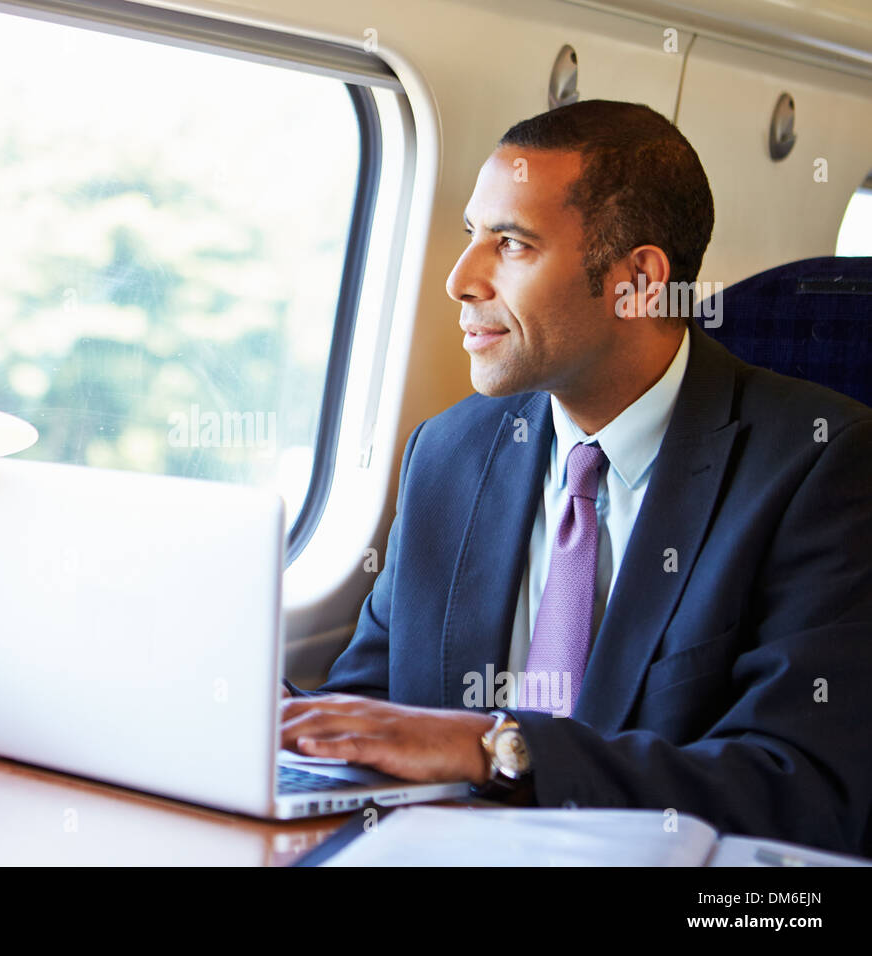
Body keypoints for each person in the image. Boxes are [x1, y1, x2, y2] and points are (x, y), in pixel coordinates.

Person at [281, 99, 872, 856]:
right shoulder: (448, 452)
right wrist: (278, 721)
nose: (462, 278)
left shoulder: (820, 465)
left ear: (639, 280)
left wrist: (495, 750)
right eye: (472, 235)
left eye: (513, 244)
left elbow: (801, 790)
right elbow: (371, 705)